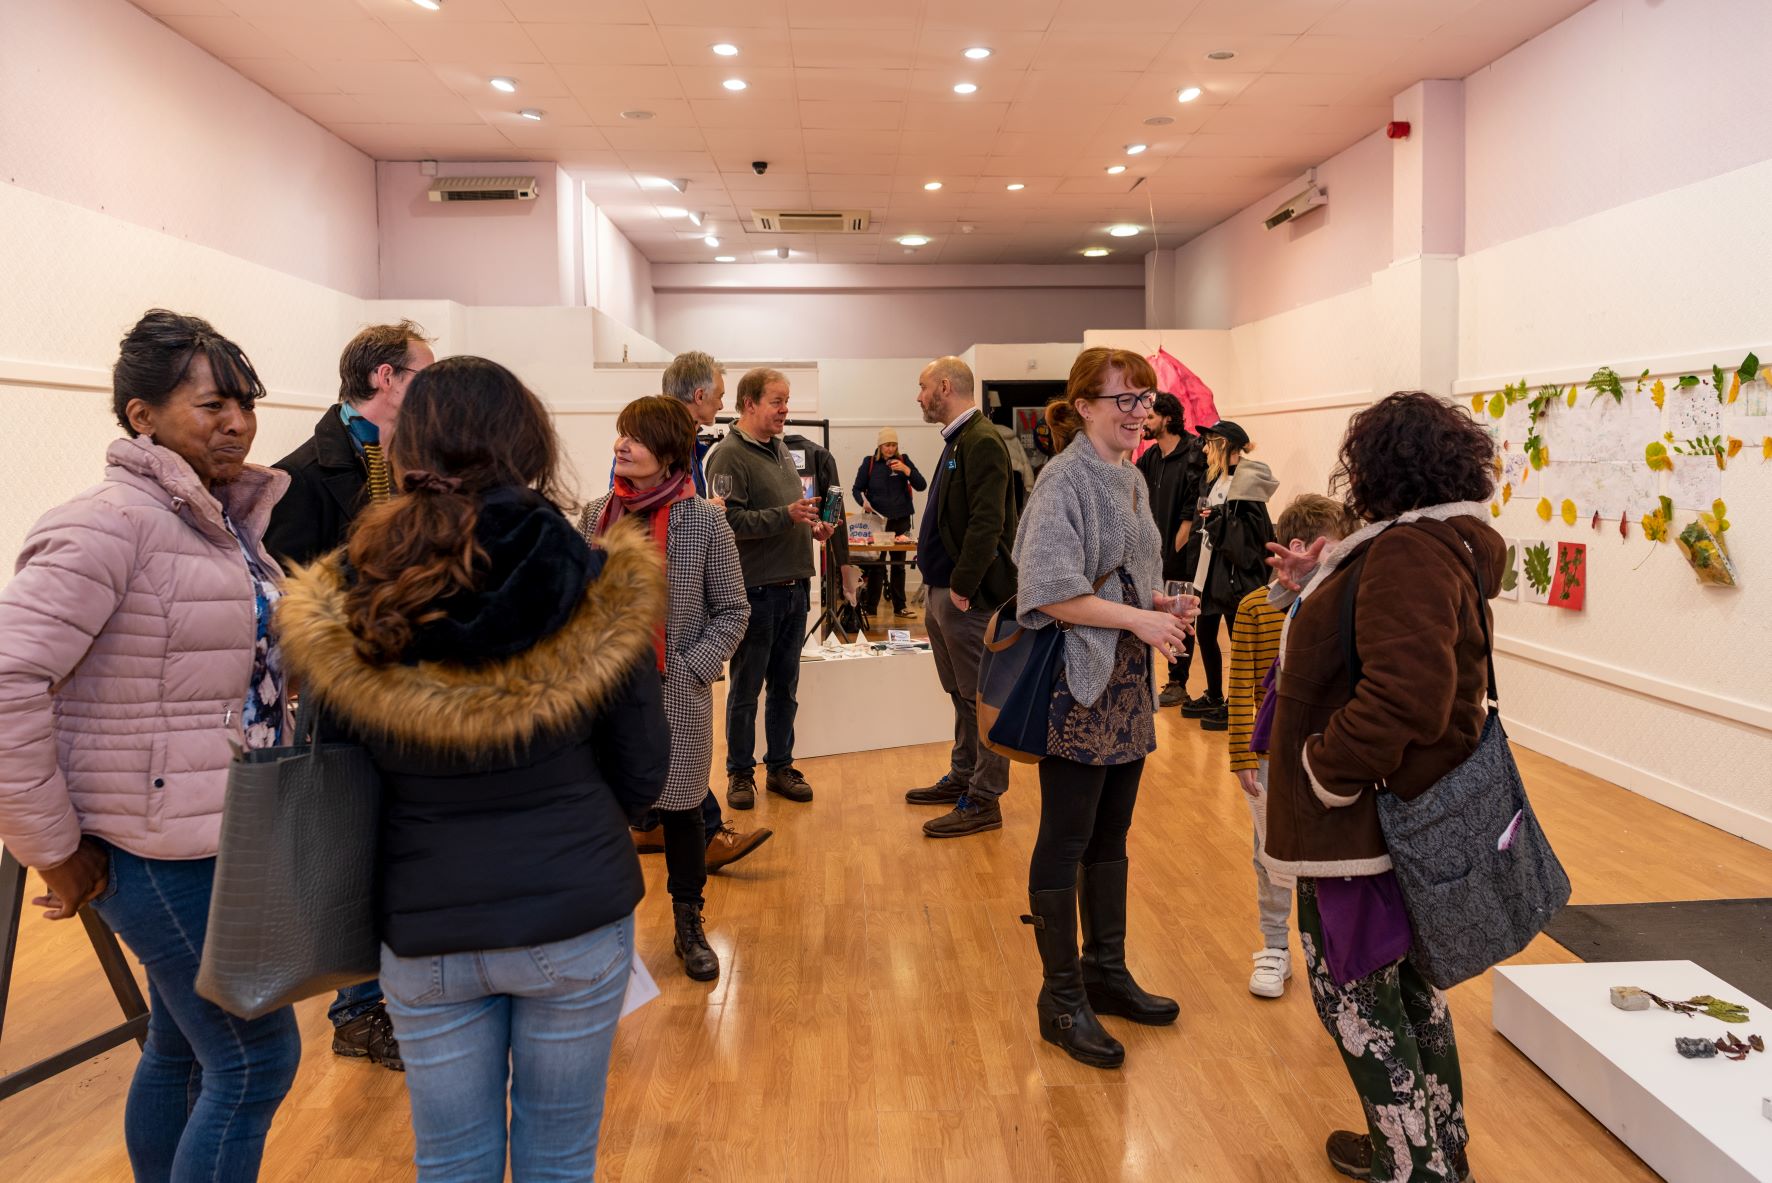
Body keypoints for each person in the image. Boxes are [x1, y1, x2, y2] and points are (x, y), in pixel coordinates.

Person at [276, 355, 669, 1180]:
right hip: (575, 907)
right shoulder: (593, 576)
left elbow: (334, 784)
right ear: (526, 441)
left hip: (426, 928)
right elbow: (644, 768)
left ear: (408, 445)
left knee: (451, 1161)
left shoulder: (356, 592)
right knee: (560, 1158)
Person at [0, 310, 301, 1179]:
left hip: (221, 831)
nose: (237, 422)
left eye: (246, 404)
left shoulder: (222, 524)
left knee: (181, 1049)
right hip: (158, 849)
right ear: (141, 415)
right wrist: (53, 848)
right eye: (212, 405)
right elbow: (12, 681)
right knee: (255, 1059)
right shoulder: (106, 524)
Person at [1263, 391, 1503, 1183]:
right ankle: (1436, 1148)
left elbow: (1405, 693)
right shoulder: (1427, 543)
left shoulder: (1407, 551)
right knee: (1407, 986)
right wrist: (1316, 580)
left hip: (1357, 829)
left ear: (1380, 467)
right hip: (1385, 822)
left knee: (1360, 1004)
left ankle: (1413, 1164)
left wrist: (1323, 773)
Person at [1011, 347, 1194, 1070]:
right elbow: (1048, 590)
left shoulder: (1131, 479)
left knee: (1111, 834)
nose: (1137, 412)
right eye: (1124, 399)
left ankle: (1105, 972)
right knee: (1067, 834)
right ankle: (1060, 999)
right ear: (1083, 403)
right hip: (1076, 687)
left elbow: (1118, 578)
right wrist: (1139, 622)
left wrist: (1159, 604)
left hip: (1124, 686)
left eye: (1145, 399)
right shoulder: (1063, 481)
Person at [262, 319, 434, 1069]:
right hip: (347, 697)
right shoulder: (302, 473)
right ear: (387, 378)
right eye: (424, 371)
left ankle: (400, 990)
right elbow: (286, 597)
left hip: (415, 691)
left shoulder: (417, 463)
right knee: (350, 851)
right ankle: (358, 1009)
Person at [581, 396, 751, 981]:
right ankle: (605, 936)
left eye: (636, 437)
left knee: (681, 810)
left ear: (670, 451)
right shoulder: (594, 515)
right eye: (620, 433)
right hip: (603, 696)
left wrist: (691, 668)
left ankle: (688, 921)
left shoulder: (702, 520)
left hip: (672, 691)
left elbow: (732, 610)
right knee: (603, 818)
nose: (621, 445)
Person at [628, 350, 770, 872]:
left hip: (672, 649)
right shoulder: (659, 444)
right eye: (718, 389)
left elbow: (730, 609)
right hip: (649, 642)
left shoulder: (681, 444)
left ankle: (649, 827)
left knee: (672, 755)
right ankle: (698, 834)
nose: (723, 400)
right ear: (697, 396)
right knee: (673, 760)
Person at [1227, 493, 1352, 1000]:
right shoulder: (1256, 608)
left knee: (1329, 857)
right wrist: (1241, 753)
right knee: (1269, 853)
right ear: (1301, 547)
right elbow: (1241, 687)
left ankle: (1332, 950)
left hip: (1326, 754)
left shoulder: (1346, 602)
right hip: (1269, 756)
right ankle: (1275, 946)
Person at [704, 368, 835, 809]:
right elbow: (728, 521)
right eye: (777, 401)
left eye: (787, 400)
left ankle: (779, 766)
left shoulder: (780, 450)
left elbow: (787, 512)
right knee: (745, 690)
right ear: (748, 404)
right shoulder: (727, 456)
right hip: (755, 594)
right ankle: (740, 774)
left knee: (785, 687)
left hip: (795, 588)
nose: (785, 409)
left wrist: (813, 526)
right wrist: (786, 515)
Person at [905, 356, 1020, 839]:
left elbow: (986, 523)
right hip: (943, 593)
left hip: (965, 598)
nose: (919, 395)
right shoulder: (959, 439)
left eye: (923, 386)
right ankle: (964, 774)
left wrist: (962, 587)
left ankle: (985, 797)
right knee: (961, 694)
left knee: (983, 699)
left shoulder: (982, 440)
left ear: (945, 386)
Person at [1182, 419, 1275, 731]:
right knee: (1205, 635)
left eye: (1211, 442)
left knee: (1239, 641)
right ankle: (1214, 695)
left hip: (1234, 577)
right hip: (1208, 572)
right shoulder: (1214, 480)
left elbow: (1253, 536)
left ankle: (1238, 706)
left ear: (1225, 446)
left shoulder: (1247, 484)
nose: (1205, 448)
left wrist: (1220, 519)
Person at [1135, 391, 1207, 707]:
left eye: (1149, 417)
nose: (1144, 423)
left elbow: (1192, 510)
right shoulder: (1150, 458)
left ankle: (1178, 682)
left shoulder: (1194, 452)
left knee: (1180, 620)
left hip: (1181, 554)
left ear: (1167, 418)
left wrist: (1176, 548)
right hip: (1152, 554)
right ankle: (1154, 678)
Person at [852, 427, 926, 618]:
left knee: (899, 565)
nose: (890, 449)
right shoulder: (869, 463)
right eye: (887, 445)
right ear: (880, 446)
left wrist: (907, 470)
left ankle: (899, 607)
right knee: (877, 564)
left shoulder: (904, 460)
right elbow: (857, 489)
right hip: (878, 521)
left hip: (900, 521)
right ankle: (871, 607)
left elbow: (921, 485)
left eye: (894, 445)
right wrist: (864, 503)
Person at [660, 349, 726, 496]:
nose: (721, 406)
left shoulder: (689, 440)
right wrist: (705, 512)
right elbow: (640, 512)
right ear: (699, 396)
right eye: (720, 397)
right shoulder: (655, 445)